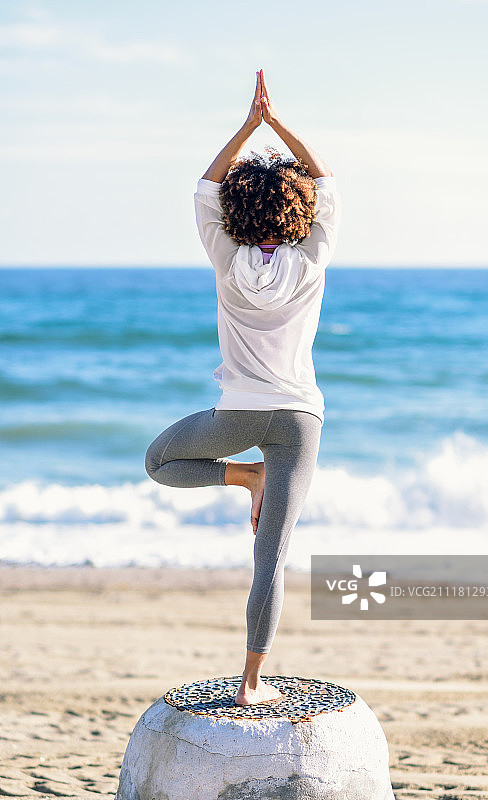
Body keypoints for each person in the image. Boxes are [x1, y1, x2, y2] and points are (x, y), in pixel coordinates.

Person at [145, 69, 340, 706]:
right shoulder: (312, 258)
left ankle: (240, 477)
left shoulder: (226, 260)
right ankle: (253, 684)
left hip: (239, 415)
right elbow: (326, 180)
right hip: (298, 422)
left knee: (161, 462)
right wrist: (278, 123)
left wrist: (249, 125)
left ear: (238, 210)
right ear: (298, 208)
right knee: (271, 560)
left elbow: (204, 186)